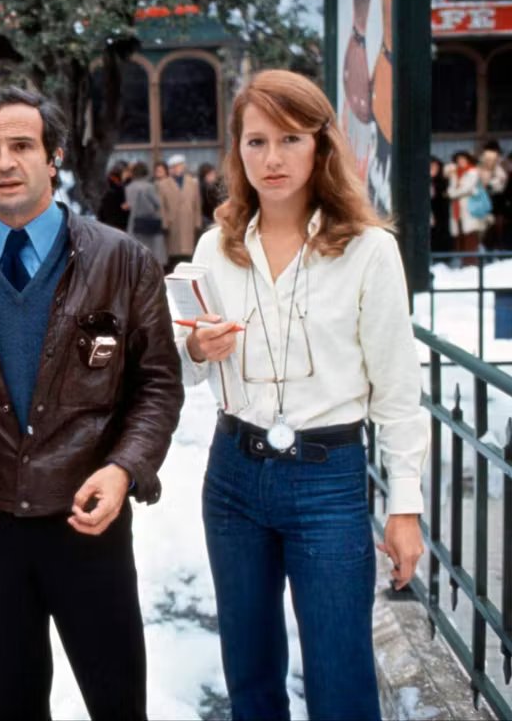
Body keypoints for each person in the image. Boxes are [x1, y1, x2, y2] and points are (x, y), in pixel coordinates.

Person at [0, 86, 182, 721]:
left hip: (86, 516)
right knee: (11, 703)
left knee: (118, 703)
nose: (5, 162)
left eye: (21, 145)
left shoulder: (121, 260)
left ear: (53, 155)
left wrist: (123, 470)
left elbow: (157, 384)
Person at [179, 70, 425, 721]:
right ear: (238, 151)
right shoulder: (216, 247)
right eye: (256, 142)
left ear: (321, 146)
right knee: (251, 677)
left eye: (290, 139)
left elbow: (399, 392)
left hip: (328, 480)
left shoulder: (369, 251)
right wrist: (198, 350)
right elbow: (185, 370)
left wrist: (405, 508)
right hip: (233, 477)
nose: (273, 158)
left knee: (340, 679)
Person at [158, 153, 202, 271]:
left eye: (179, 166)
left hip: (189, 222)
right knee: (174, 255)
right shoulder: (163, 184)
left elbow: (197, 204)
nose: (177, 169)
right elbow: (161, 206)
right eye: (173, 167)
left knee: (188, 254)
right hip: (173, 223)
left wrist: (197, 222)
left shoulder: (192, 182)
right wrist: (164, 223)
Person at [447, 150, 487, 266]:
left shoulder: (472, 172)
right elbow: (450, 191)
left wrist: (455, 192)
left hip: (469, 208)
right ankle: (461, 262)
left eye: (463, 159)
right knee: (459, 236)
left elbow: (466, 189)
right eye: (458, 160)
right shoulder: (454, 173)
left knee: (470, 236)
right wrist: (455, 192)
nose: (461, 162)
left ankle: (471, 262)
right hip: (456, 209)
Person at [126, 161, 167, 266]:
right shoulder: (149, 187)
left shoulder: (129, 188)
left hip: (135, 223)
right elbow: (157, 203)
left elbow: (130, 205)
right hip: (151, 223)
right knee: (154, 253)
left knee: (137, 255)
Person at [478, 141, 509, 251]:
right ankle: (487, 248)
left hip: (500, 199)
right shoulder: (481, 164)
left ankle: (499, 248)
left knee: (499, 225)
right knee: (486, 225)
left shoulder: (503, 164)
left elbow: (503, 181)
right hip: (484, 198)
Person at [97, 158, 130, 230]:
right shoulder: (112, 185)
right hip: (114, 222)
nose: (128, 173)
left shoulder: (124, 184)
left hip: (117, 221)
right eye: (126, 171)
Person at [429, 155, 452, 254]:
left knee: (442, 232)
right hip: (430, 210)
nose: (433, 169)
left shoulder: (443, 180)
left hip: (442, 211)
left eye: (435, 167)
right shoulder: (423, 181)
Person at [197, 162, 223, 231]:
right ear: (206, 176)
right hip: (207, 218)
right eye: (211, 174)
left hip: (210, 217)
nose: (214, 176)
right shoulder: (205, 188)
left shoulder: (213, 186)